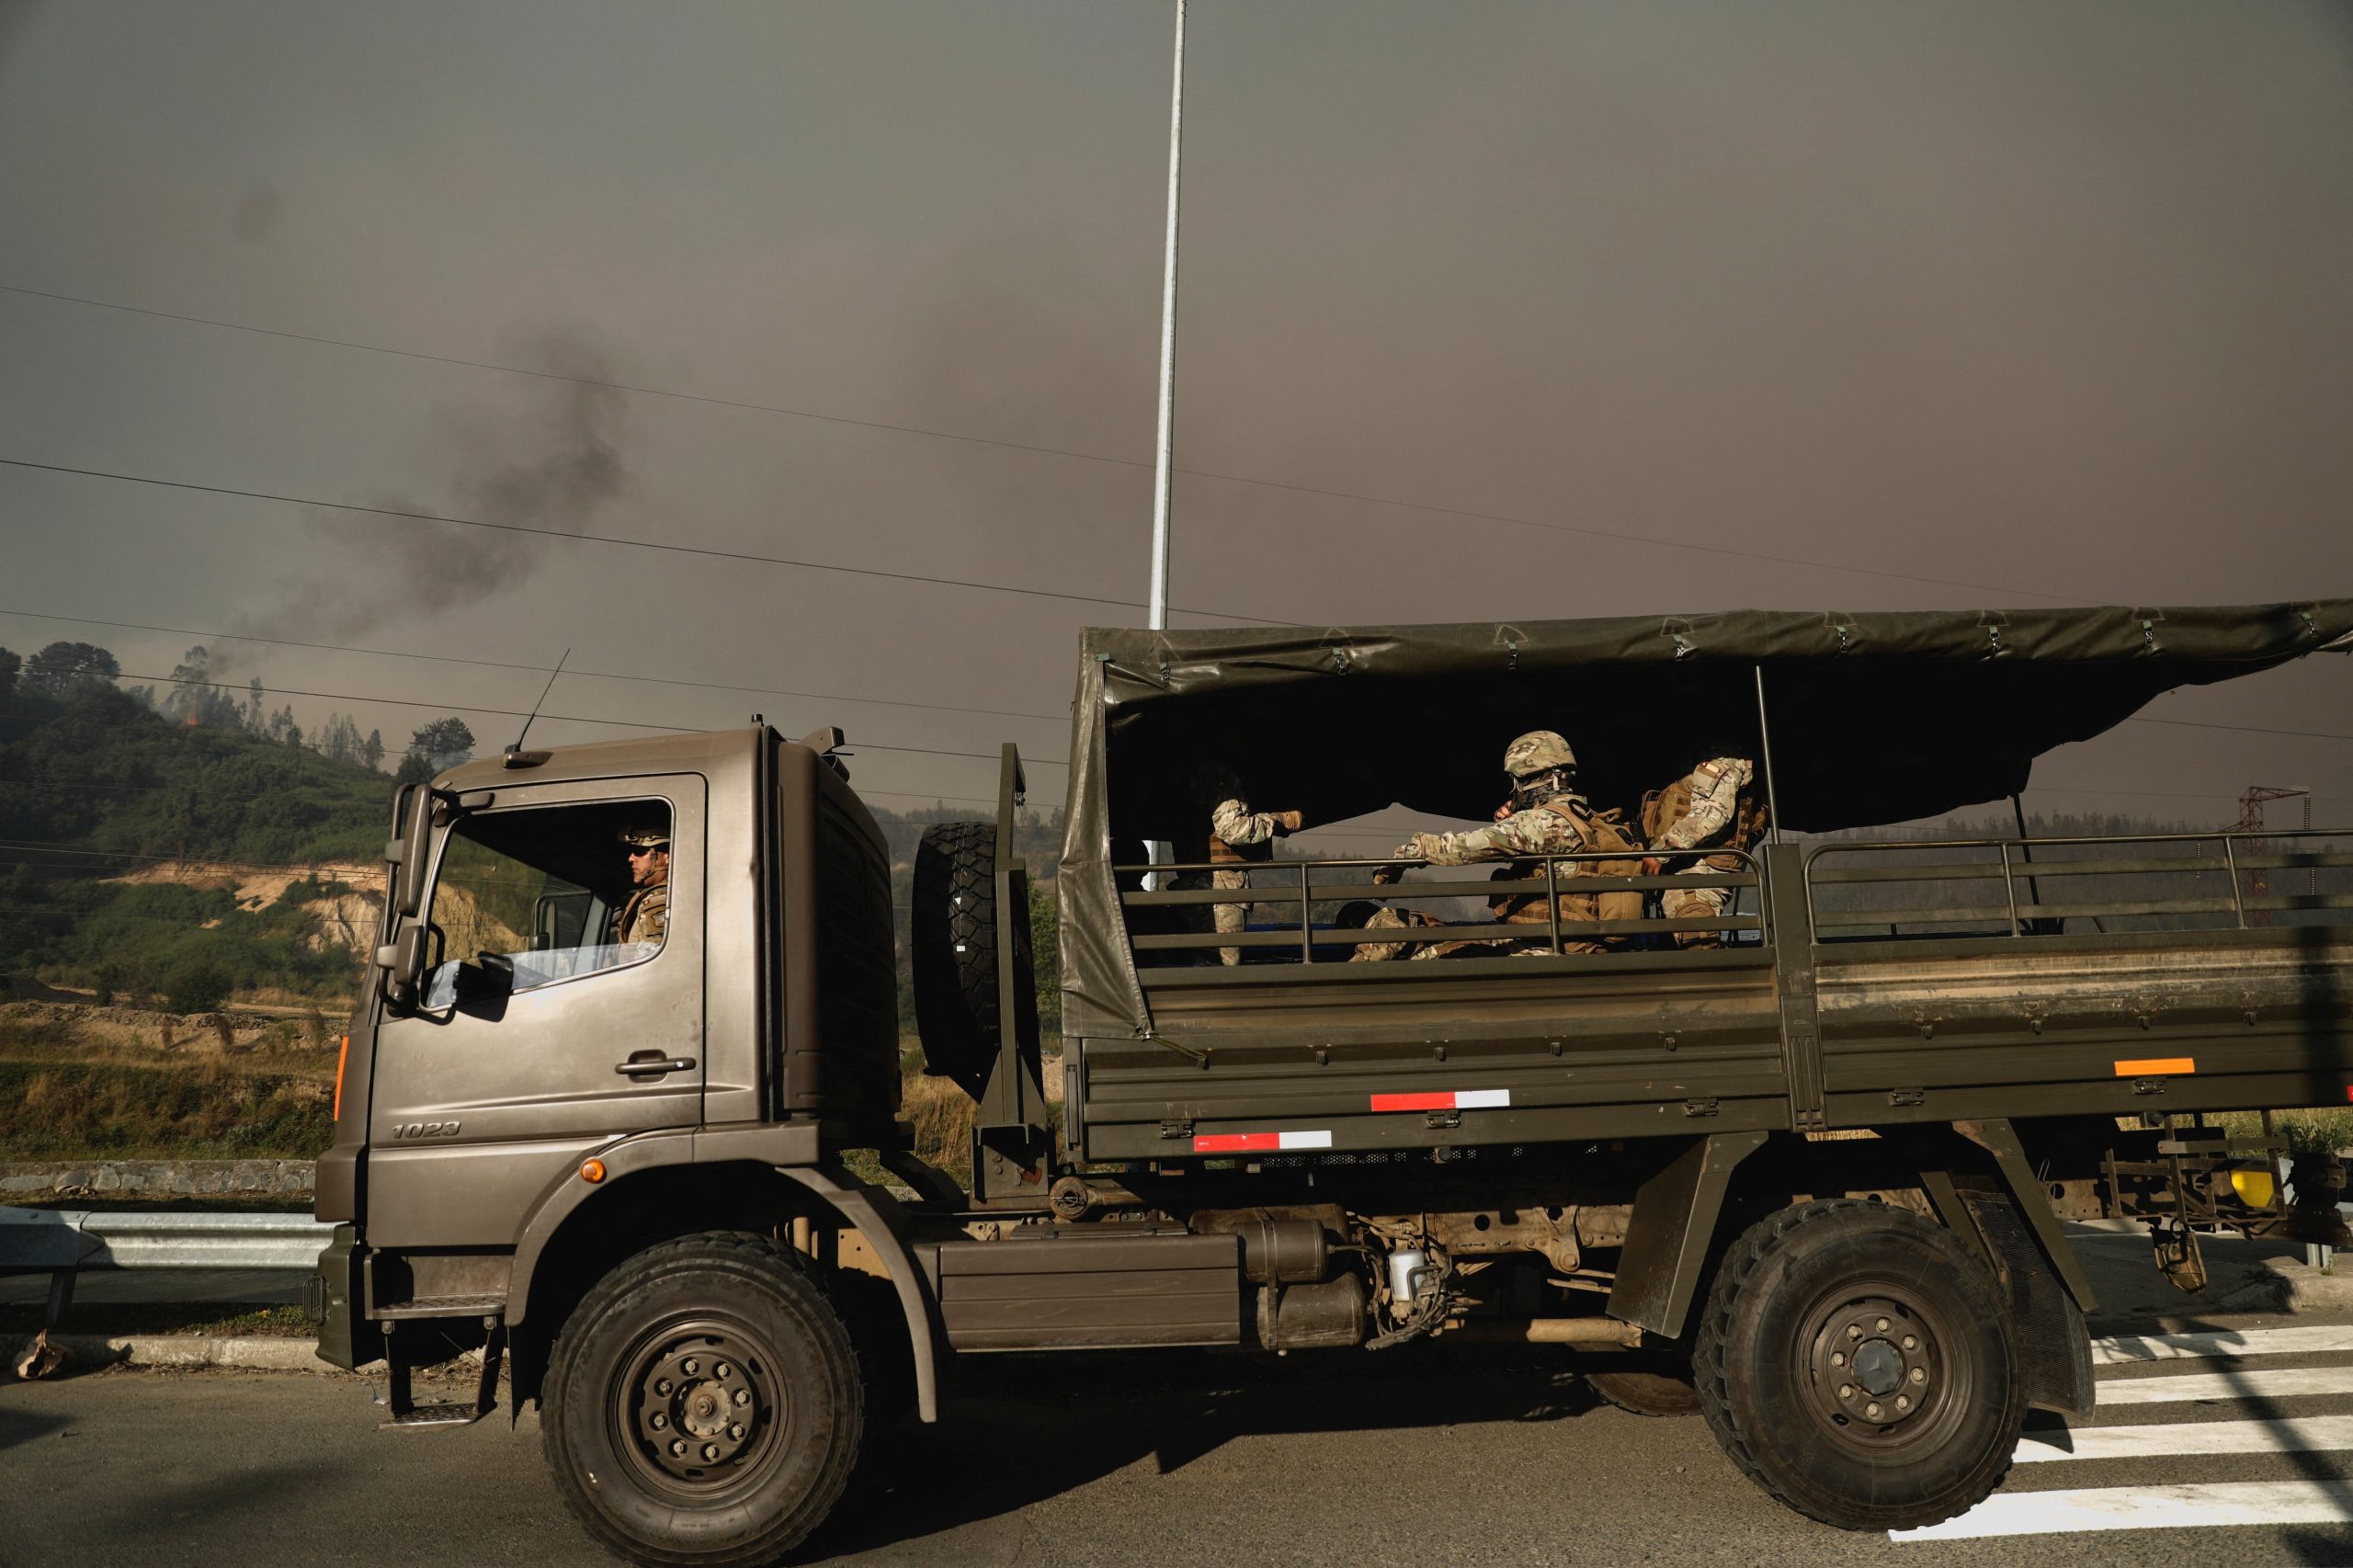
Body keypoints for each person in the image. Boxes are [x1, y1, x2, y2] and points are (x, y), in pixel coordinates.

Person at [1385, 731, 1643, 955]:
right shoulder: (1589, 818)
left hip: (1543, 948)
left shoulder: (1542, 822)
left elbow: (1469, 847)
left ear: (1522, 779)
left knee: (1425, 954)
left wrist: (1415, 849)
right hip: (1586, 945)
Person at [1641, 755, 1764, 949]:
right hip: (1690, 868)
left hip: (1698, 871)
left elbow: (1712, 815)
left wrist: (1660, 851)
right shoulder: (1714, 763)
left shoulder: (1718, 764)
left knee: (1698, 942)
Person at [1204, 768, 1304, 965]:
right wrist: (1277, 821)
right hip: (1222, 883)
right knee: (1225, 966)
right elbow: (1233, 830)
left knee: (1204, 961)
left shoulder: (1199, 773)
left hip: (1203, 880)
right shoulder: (1221, 776)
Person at [608, 824, 670, 947]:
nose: (631, 858)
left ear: (666, 857)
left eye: (639, 852)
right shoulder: (668, 895)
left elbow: (653, 962)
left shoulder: (660, 899)